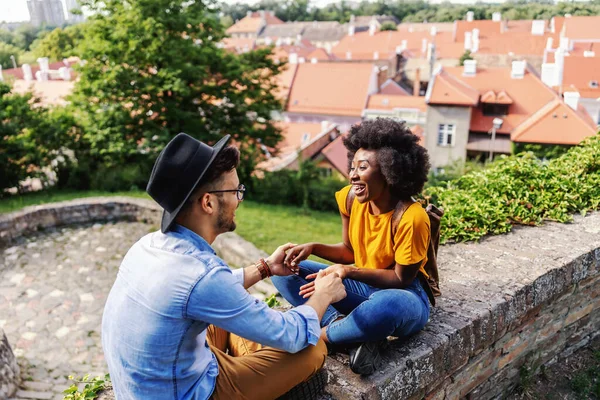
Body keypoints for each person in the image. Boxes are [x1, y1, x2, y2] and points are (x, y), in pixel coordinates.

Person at [101, 133, 347, 400]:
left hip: (151, 384)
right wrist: (324, 293)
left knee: (235, 315)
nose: (240, 199)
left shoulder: (147, 245)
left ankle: (251, 357)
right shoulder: (203, 276)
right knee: (312, 349)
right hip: (185, 393)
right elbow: (294, 334)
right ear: (208, 202)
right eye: (236, 191)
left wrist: (264, 268)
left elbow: (202, 291)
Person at [272, 118, 432, 376]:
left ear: (390, 172)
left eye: (363, 167)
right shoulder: (350, 198)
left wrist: (348, 272)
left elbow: (401, 278)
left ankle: (319, 336)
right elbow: (349, 250)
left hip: (404, 295)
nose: (352, 175)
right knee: (284, 270)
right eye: (353, 166)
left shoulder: (412, 217)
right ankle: (350, 332)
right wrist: (313, 247)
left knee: (384, 307)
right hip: (362, 287)